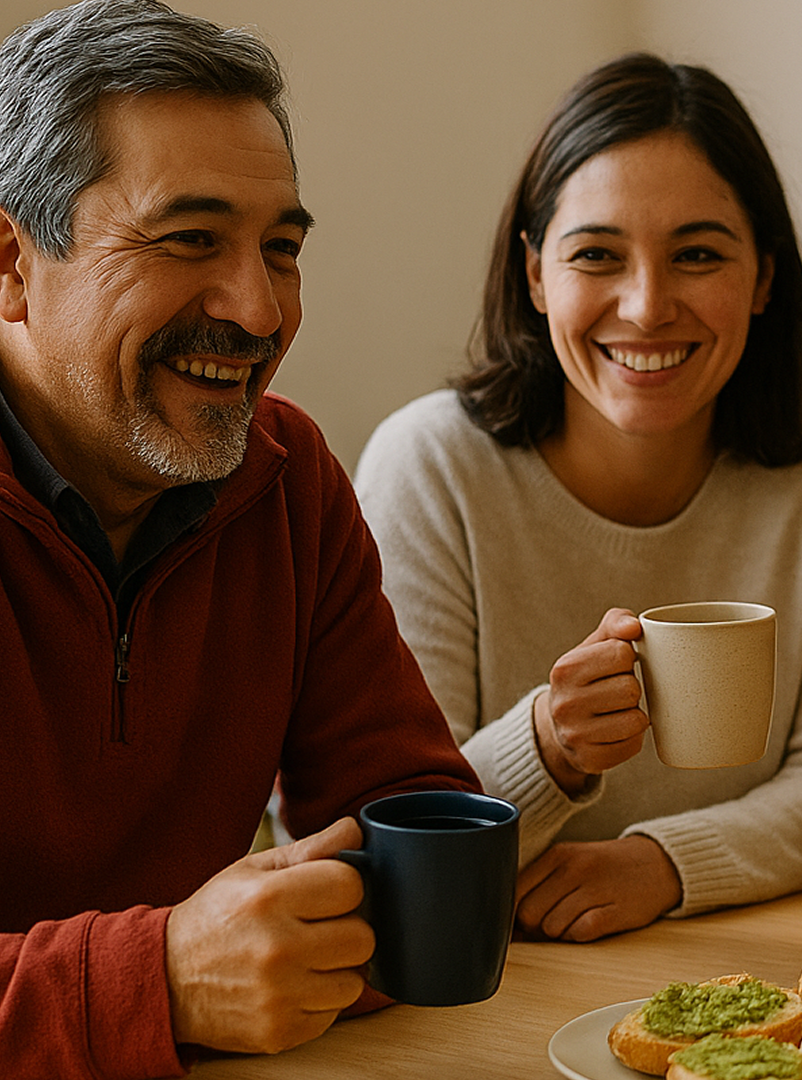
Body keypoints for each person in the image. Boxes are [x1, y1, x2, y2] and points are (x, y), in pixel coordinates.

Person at [0, 1, 484, 1075]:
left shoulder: (286, 475)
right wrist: (156, 980)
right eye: (190, 241)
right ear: (11, 261)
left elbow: (408, 815)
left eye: (281, 248)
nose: (261, 312)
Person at [354, 53, 802, 944]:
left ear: (764, 276)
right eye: (597, 256)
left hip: (750, 961)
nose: (647, 307)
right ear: (535, 276)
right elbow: (384, 822)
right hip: (490, 975)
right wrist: (549, 746)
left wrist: (665, 864)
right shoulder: (430, 468)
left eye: (696, 255)